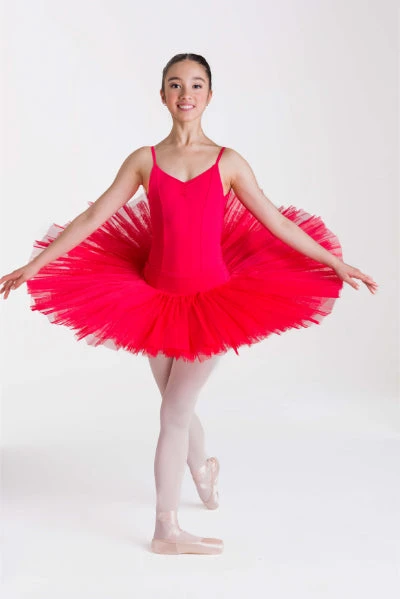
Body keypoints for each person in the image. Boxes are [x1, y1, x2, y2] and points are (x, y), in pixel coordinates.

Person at [0, 53, 378, 555]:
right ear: (162, 95)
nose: (186, 94)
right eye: (176, 85)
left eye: (196, 85)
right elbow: (93, 217)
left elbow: (276, 222)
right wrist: (36, 265)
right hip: (153, 298)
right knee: (175, 407)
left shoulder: (228, 162)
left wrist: (334, 262)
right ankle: (202, 471)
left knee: (173, 413)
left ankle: (166, 529)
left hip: (212, 302)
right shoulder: (144, 160)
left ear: (209, 96)